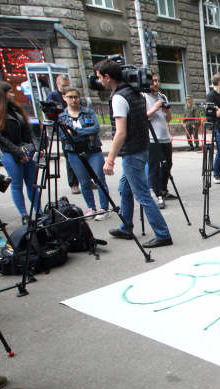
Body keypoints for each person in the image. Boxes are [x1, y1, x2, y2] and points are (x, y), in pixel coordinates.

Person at [94, 58, 172, 248]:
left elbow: (121, 132)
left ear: (107, 76)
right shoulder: (135, 92)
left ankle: (163, 234)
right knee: (125, 189)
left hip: (132, 152)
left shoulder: (119, 97)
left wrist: (110, 160)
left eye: (99, 78)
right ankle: (126, 227)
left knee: (142, 195)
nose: (98, 82)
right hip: (141, 147)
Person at [58, 87, 111, 220]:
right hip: (74, 152)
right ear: (64, 97)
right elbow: (63, 136)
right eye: (70, 97)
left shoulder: (88, 112)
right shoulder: (62, 117)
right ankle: (91, 208)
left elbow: (96, 128)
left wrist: (75, 133)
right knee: (84, 182)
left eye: (76, 96)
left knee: (99, 179)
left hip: (93, 150)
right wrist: (85, 134)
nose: (73, 99)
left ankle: (103, 208)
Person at [0, 81, 40, 225]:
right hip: (10, 154)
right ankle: (24, 215)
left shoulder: (16, 109)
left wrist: (36, 147)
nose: (13, 94)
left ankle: (39, 212)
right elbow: (1, 137)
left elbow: (29, 130)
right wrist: (17, 153)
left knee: (32, 184)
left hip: (26, 151)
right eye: (10, 92)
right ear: (2, 94)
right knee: (17, 185)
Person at [144, 73, 174, 209]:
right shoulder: (143, 97)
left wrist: (167, 112)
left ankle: (163, 189)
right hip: (151, 138)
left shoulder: (162, 96)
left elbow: (168, 119)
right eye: (152, 81)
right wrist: (154, 109)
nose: (155, 83)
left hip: (165, 137)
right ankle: (158, 195)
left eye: (156, 80)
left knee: (168, 164)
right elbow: (142, 117)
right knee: (154, 167)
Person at [48, 74, 81, 194]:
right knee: (70, 157)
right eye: (63, 86)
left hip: (77, 128)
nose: (66, 87)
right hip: (64, 130)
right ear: (57, 85)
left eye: (67, 85)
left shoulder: (74, 95)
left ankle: (87, 179)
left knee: (84, 155)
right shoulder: (53, 95)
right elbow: (50, 113)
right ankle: (73, 183)